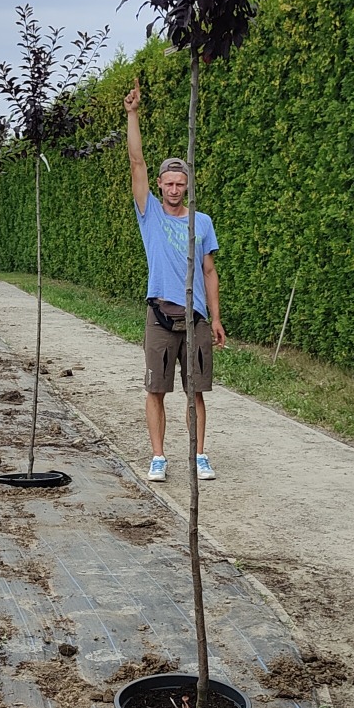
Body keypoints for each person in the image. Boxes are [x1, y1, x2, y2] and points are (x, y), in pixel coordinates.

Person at [124, 77, 226, 482]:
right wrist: (132, 115)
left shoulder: (202, 222)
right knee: (155, 390)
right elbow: (137, 164)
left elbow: (209, 271)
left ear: (188, 186)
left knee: (196, 391)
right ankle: (159, 457)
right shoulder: (149, 215)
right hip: (160, 317)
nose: (174, 189)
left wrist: (215, 318)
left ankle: (199, 455)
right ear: (160, 185)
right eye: (168, 183)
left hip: (196, 319)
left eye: (181, 184)